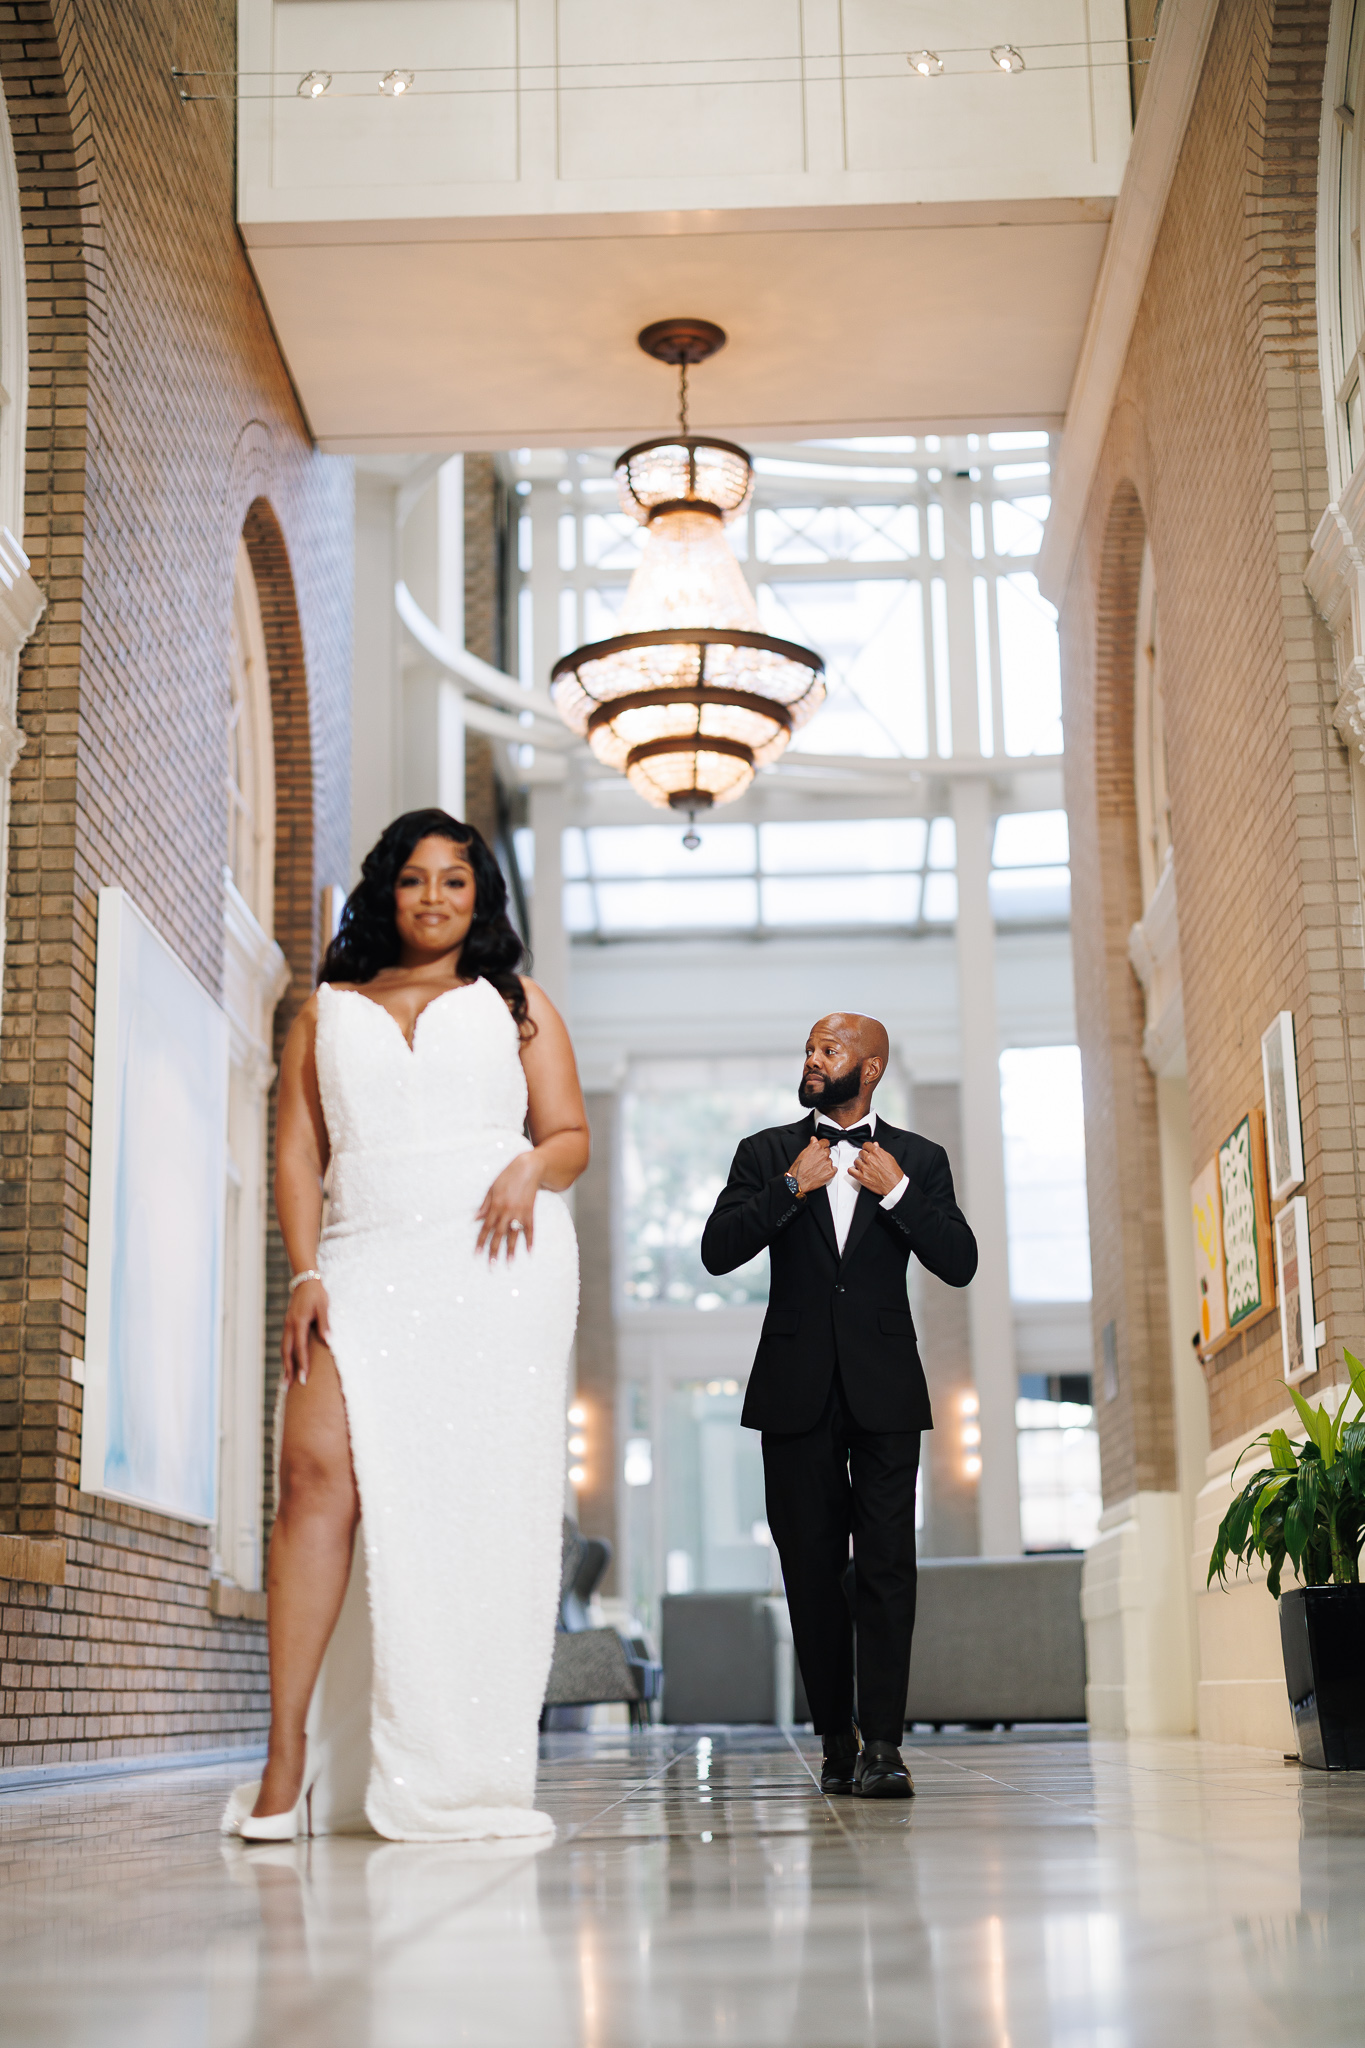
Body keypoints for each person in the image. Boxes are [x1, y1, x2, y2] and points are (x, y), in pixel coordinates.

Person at [222, 809, 588, 1843]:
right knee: (312, 1479)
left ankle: (452, 1754)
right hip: (363, 1252)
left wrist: (528, 1165)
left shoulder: (518, 1005)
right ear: (388, 889)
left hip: (494, 1263)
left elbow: (570, 1134)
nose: (434, 897)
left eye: (455, 882)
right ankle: (285, 1758)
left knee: (465, 1506)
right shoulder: (326, 1010)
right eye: (416, 878)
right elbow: (299, 1153)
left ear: (481, 898)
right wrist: (305, 1271)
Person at [700, 1013, 976, 1799]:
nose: (813, 1060)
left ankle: (883, 1745)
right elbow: (716, 1252)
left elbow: (959, 1262)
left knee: (887, 1567)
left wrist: (899, 1194)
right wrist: (790, 1188)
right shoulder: (765, 1153)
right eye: (810, 1049)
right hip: (793, 1389)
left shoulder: (919, 1158)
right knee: (810, 1570)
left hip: (885, 1387)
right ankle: (835, 1740)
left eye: (829, 1050)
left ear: (871, 1066)